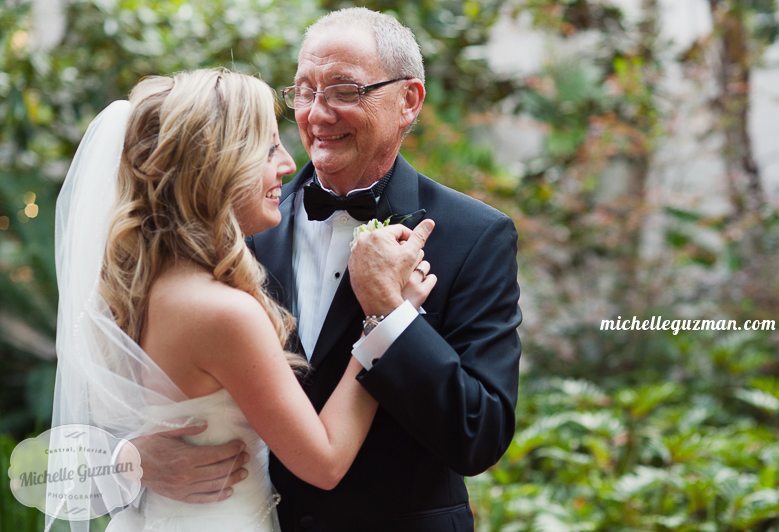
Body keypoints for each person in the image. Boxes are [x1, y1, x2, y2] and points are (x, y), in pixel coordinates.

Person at [140, 8, 523, 532]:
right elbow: (132, 382)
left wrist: (390, 314)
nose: (317, 114)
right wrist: (133, 459)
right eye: (304, 91)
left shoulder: (474, 235)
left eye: (344, 90)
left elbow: (479, 436)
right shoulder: (237, 225)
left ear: (408, 101)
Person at [50, 68, 436, 531]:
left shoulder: (130, 285)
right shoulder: (223, 311)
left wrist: (126, 459)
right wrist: (385, 319)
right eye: (268, 148)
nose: (288, 164)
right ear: (216, 165)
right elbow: (325, 461)